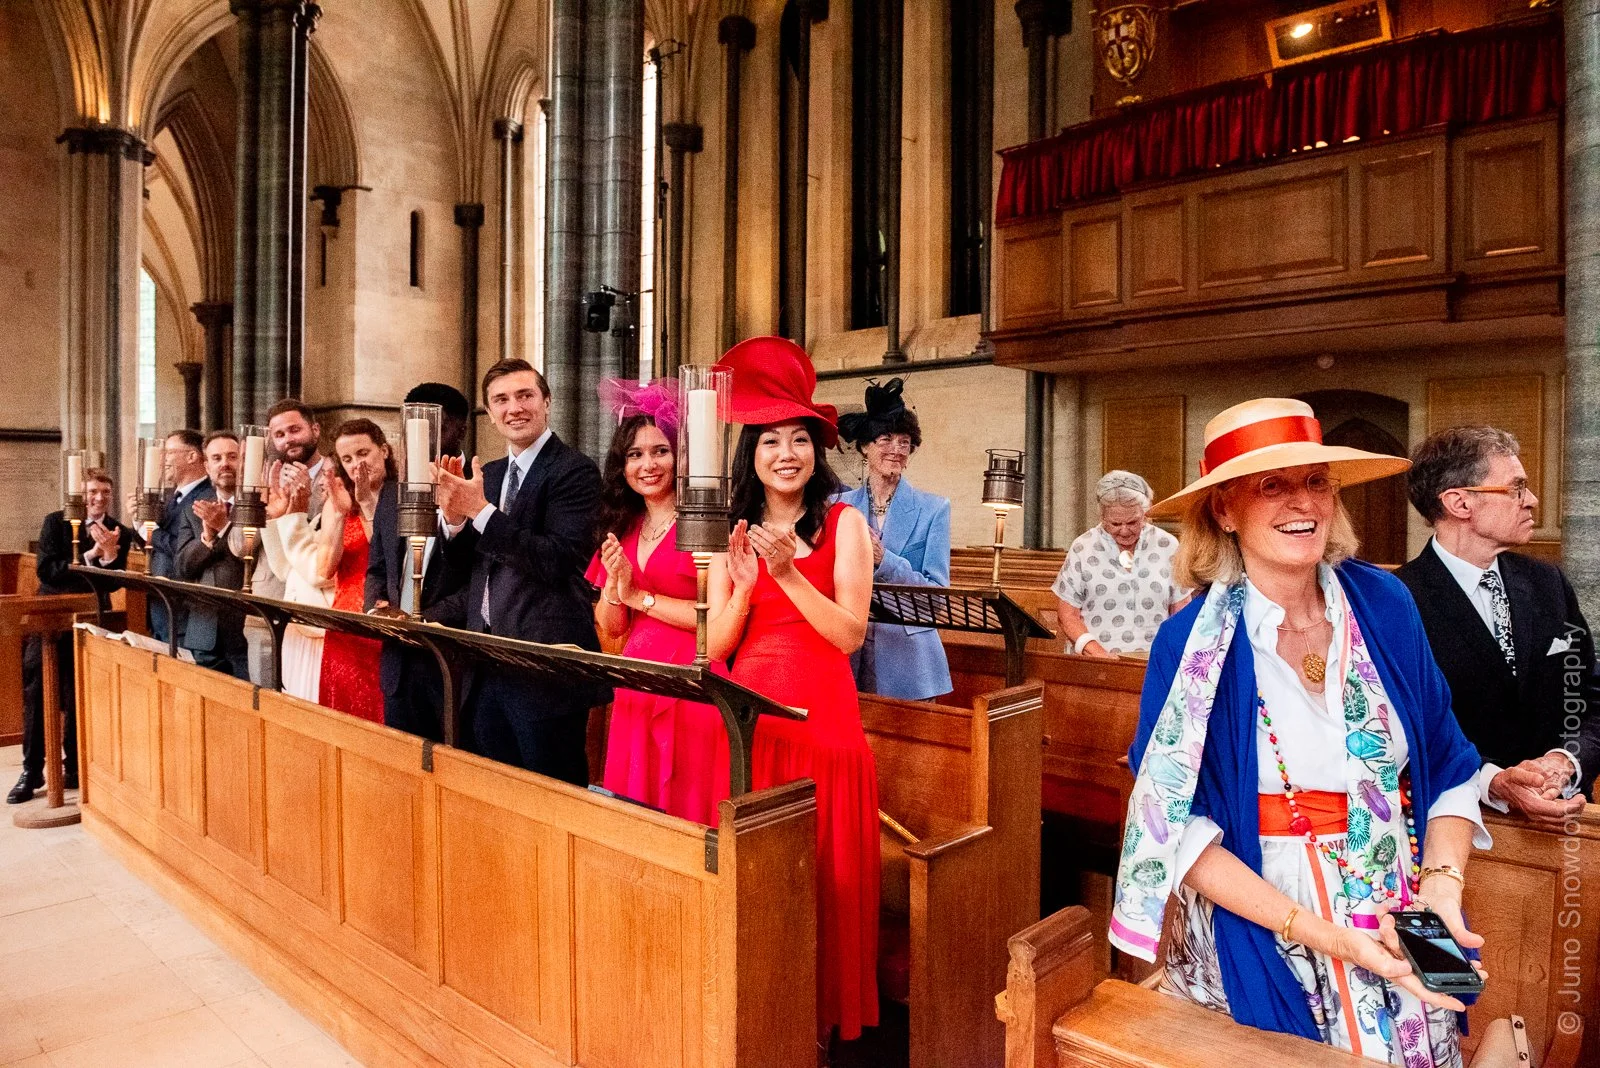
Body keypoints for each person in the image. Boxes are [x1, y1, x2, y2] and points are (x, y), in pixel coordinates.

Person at [1110, 398, 1488, 1065]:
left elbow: (1450, 761)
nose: (1303, 502)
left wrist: (1441, 890)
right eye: (1271, 485)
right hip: (1264, 912)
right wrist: (1330, 937)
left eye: (1316, 480)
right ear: (1223, 510)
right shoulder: (1187, 644)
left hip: (1394, 894)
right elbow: (1176, 826)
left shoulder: (1385, 604)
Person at [705, 336, 880, 1046]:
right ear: (751, 454)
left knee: (826, 874)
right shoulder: (730, 532)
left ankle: (821, 1019)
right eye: (771, 440)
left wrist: (788, 578)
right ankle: (758, 1006)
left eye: (799, 440)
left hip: (823, 722)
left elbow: (849, 635)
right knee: (759, 877)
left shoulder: (846, 525)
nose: (786, 453)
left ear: (817, 451)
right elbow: (712, 648)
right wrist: (746, 591)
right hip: (752, 723)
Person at [1397, 426, 1597, 827]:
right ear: (1459, 502)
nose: (1533, 501)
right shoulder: (1396, 599)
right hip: (1458, 822)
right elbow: (1402, 729)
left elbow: (1591, 695)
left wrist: (1565, 761)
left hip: (1567, 817)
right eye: (1516, 487)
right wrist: (1493, 779)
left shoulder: (1548, 583)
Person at [430, 359, 605, 782]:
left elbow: (557, 559)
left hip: (544, 665)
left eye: (525, 395)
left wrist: (481, 511)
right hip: (485, 661)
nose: (515, 407)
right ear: (490, 414)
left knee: (554, 793)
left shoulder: (574, 470)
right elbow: (467, 567)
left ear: (547, 401)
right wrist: (454, 521)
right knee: (497, 792)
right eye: (501, 400)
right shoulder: (486, 473)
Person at [586, 381, 730, 822]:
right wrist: (616, 585)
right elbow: (611, 625)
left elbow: (717, 618)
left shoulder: (705, 522)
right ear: (622, 465)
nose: (647, 464)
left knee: (688, 805)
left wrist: (641, 596)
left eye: (660, 451)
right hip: (637, 681)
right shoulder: (622, 526)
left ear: (681, 457)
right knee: (637, 809)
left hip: (693, 679)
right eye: (635, 454)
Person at [10, 468, 136, 804]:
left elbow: (112, 582)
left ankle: (75, 767)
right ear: (80, 495)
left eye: (105, 492)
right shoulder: (56, 522)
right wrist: (92, 555)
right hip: (48, 616)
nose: (98, 498)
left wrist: (110, 556)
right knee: (37, 692)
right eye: (92, 492)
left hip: (91, 614)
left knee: (80, 690)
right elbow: (47, 570)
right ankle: (32, 769)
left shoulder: (119, 530)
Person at [365, 382, 475, 740]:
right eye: (412, 424)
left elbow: (480, 580)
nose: (420, 436)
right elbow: (378, 568)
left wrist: (425, 620)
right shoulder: (393, 492)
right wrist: (376, 608)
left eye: (432, 426)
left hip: (452, 660)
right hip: (399, 661)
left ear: (459, 428)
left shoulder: (479, 488)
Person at [834, 377, 952, 699]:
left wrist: (884, 560)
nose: (897, 450)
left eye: (904, 441)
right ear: (864, 446)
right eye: (885, 439)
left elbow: (937, 600)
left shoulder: (934, 509)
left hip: (909, 661)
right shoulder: (837, 507)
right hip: (847, 657)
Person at [1054, 470, 1189, 658]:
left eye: (1133, 522)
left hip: (1155, 660)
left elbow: (1181, 614)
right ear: (1102, 517)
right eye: (1115, 524)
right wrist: (1099, 654)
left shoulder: (1167, 545)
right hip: (1096, 661)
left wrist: (1171, 656)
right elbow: (1067, 616)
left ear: (1146, 513)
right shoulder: (1083, 548)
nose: (1124, 531)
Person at [313, 419, 391, 723]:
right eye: (347, 459)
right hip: (345, 624)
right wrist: (344, 514)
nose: (356, 464)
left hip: (382, 616)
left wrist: (366, 504)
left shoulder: (400, 495)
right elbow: (324, 568)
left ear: (383, 450)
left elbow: (387, 558)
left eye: (363, 453)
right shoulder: (338, 501)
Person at [249, 399, 329, 685]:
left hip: (318, 606)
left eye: (295, 430)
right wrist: (264, 508)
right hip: (271, 598)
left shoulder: (336, 475)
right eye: (279, 435)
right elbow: (241, 546)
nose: (288, 440)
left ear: (315, 430)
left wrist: (300, 504)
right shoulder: (265, 477)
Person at [174, 431, 250, 679]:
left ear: (244, 461)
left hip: (246, 627)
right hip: (204, 629)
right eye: (216, 458)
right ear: (206, 466)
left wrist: (223, 528)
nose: (224, 464)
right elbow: (182, 566)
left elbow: (252, 557)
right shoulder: (193, 508)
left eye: (232, 456)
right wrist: (207, 539)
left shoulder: (258, 504)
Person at [261, 459, 331, 701]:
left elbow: (318, 572)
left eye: (330, 473)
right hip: (298, 633)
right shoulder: (318, 519)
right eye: (322, 474)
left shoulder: (348, 522)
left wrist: (295, 517)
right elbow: (285, 570)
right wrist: (277, 517)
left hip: (322, 636)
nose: (322, 480)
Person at [143, 429, 211, 644]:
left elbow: (185, 551)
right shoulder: (172, 496)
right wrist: (140, 527)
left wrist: (150, 532)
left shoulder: (205, 497)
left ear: (192, 456)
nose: (161, 460)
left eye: (168, 453)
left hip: (182, 608)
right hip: (162, 606)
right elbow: (153, 547)